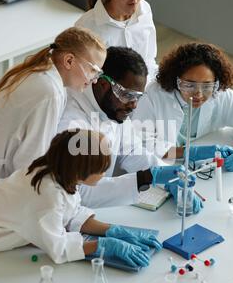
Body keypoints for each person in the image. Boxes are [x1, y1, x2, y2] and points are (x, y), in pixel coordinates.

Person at [0, 129, 162, 268]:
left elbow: (71, 212)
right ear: (81, 169)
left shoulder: (58, 172)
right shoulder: (46, 196)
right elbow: (59, 249)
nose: (104, 174)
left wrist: (114, 230)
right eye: (101, 169)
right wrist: (102, 245)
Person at [58, 46, 203, 213]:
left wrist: (168, 177)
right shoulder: (72, 123)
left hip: (101, 207)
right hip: (69, 217)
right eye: (128, 95)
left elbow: (131, 151)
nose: (133, 105)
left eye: (138, 97)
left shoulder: (112, 107)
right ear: (104, 84)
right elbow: (80, 192)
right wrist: (145, 178)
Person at [0, 27, 106, 190]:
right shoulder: (49, 92)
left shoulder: (44, 75)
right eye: (93, 70)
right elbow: (30, 165)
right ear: (69, 61)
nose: (94, 80)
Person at [132, 42, 233, 172]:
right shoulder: (153, 96)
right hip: (161, 167)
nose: (198, 93)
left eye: (207, 85)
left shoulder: (221, 95)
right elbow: (141, 144)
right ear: (176, 79)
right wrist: (188, 152)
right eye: (189, 84)